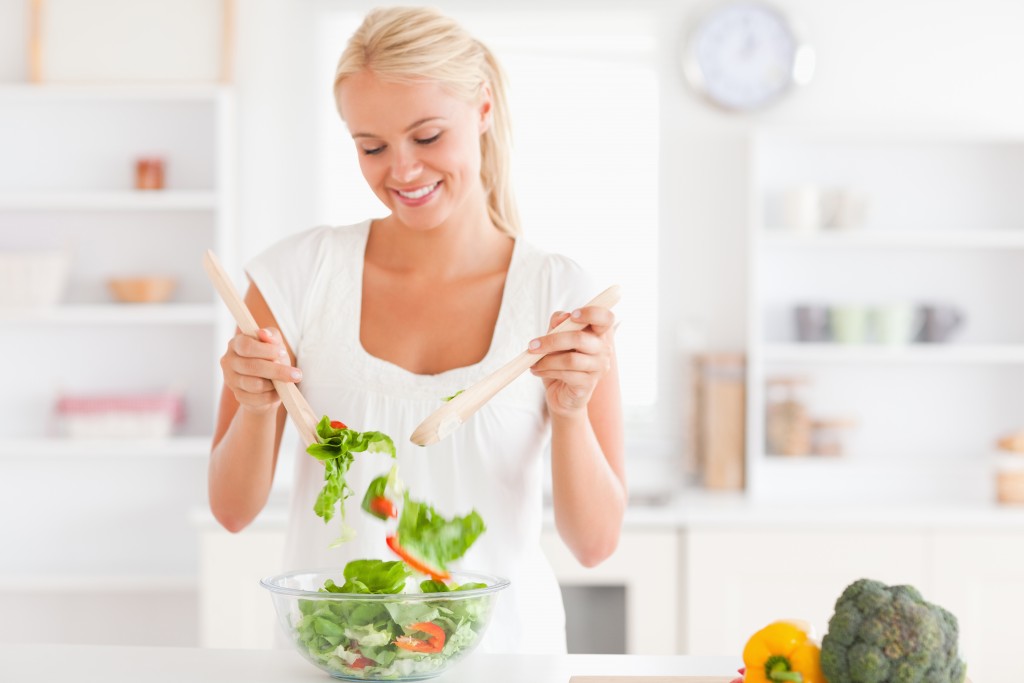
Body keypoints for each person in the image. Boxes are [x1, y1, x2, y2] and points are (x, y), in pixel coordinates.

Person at [208, 6, 625, 654]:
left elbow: (595, 543)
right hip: (340, 657)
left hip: (505, 659)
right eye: (371, 147)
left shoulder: (559, 296)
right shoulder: (298, 276)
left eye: (427, 137)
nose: (400, 171)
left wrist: (570, 411)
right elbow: (231, 511)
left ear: (483, 110)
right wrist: (259, 408)